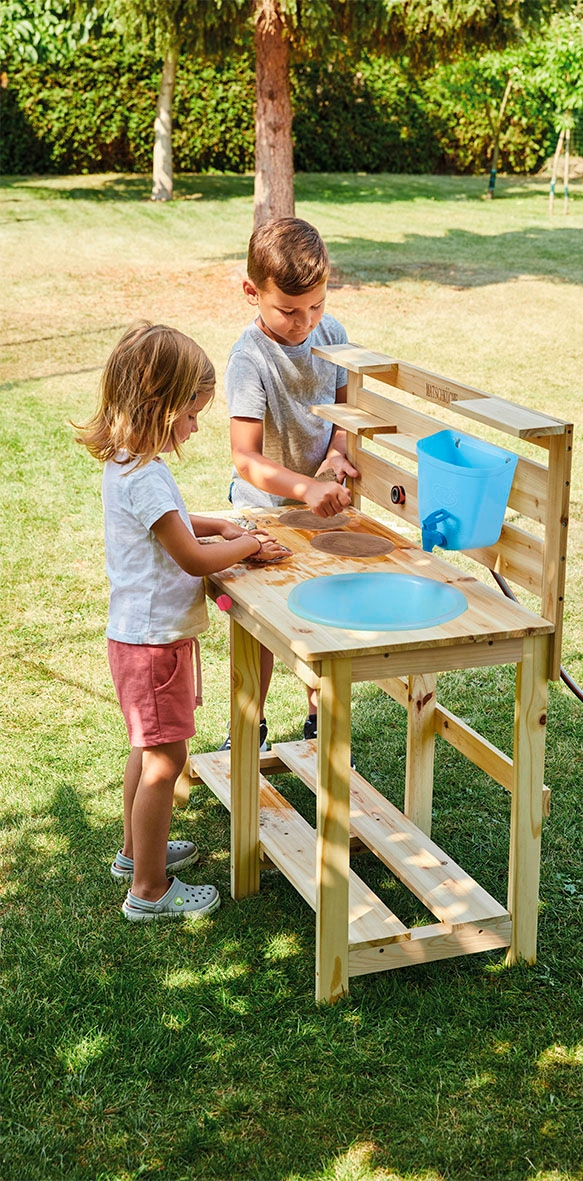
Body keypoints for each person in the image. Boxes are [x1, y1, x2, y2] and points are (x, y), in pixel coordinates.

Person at [74, 322, 289, 921]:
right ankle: (148, 890)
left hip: (139, 639)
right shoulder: (144, 475)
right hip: (153, 647)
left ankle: (134, 852)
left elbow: (171, 522)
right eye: (192, 414)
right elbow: (190, 557)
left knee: (146, 753)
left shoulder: (128, 465)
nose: (196, 427)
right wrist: (244, 547)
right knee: (165, 761)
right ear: (161, 406)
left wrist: (218, 524)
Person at [222, 216, 358, 751]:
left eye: (317, 306)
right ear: (252, 293)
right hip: (261, 513)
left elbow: (348, 410)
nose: (305, 322)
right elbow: (245, 460)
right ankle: (248, 726)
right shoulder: (249, 358)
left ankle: (317, 721)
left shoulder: (334, 335)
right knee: (259, 626)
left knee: (319, 612)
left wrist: (339, 452)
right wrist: (304, 487)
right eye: (288, 310)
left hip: (320, 509)